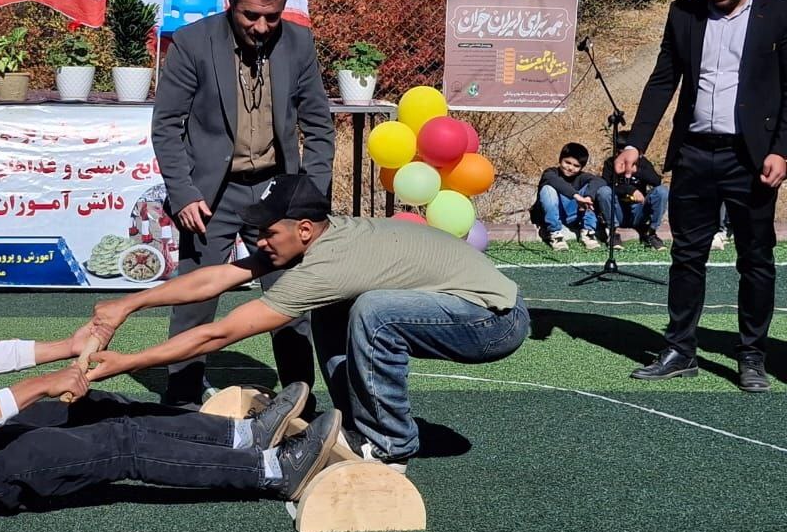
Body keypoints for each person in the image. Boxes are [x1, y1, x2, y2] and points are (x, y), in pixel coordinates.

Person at [0, 243, 341, 522]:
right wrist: (40, 385)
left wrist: (66, 349)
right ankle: (273, 471)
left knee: (101, 406)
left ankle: (243, 436)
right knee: (118, 445)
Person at [85, 175, 528, 472]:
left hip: (492, 320)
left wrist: (128, 362)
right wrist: (129, 304)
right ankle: (356, 426)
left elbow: (220, 333)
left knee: (374, 311)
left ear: (302, 229)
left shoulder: (328, 266)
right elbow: (218, 277)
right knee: (338, 308)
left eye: (267, 233)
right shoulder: (320, 236)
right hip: (462, 303)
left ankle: (389, 446)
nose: (258, 241)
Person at [151, 0, 334, 407]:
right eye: (251, 15)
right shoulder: (193, 43)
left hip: (278, 191)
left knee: (290, 300)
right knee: (196, 298)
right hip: (210, 195)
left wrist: (308, 196)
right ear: (231, 2)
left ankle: (298, 400)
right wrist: (184, 193)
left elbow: (318, 125)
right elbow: (166, 125)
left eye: (272, 17)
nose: (261, 26)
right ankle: (181, 401)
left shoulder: (299, 43)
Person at [616, 0, 787, 393]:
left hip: (751, 158)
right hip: (693, 152)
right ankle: (680, 350)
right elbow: (662, 81)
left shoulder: (779, 13)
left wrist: (781, 150)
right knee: (686, 255)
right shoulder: (684, 13)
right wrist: (635, 144)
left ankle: (752, 356)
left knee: (755, 259)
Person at [595, 129, 668, 250]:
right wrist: (630, 190)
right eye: (620, 152)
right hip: (619, 211)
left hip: (639, 211)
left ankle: (651, 232)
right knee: (604, 191)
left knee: (662, 191)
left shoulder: (643, 163)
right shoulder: (610, 163)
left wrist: (636, 170)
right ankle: (613, 232)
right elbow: (608, 184)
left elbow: (656, 181)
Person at [531, 142, 605, 251]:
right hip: (551, 215)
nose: (570, 168)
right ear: (560, 160)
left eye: (576, 166)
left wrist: (588, 197)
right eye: (567, 162)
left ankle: (588, 232)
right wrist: (576, 196)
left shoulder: (581, 177)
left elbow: (599, 181)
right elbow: (555, 181)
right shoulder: (550, 173)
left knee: (593, 188)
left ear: (581, 167)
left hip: (571, 216)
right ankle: (555, 233)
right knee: (548, 189)